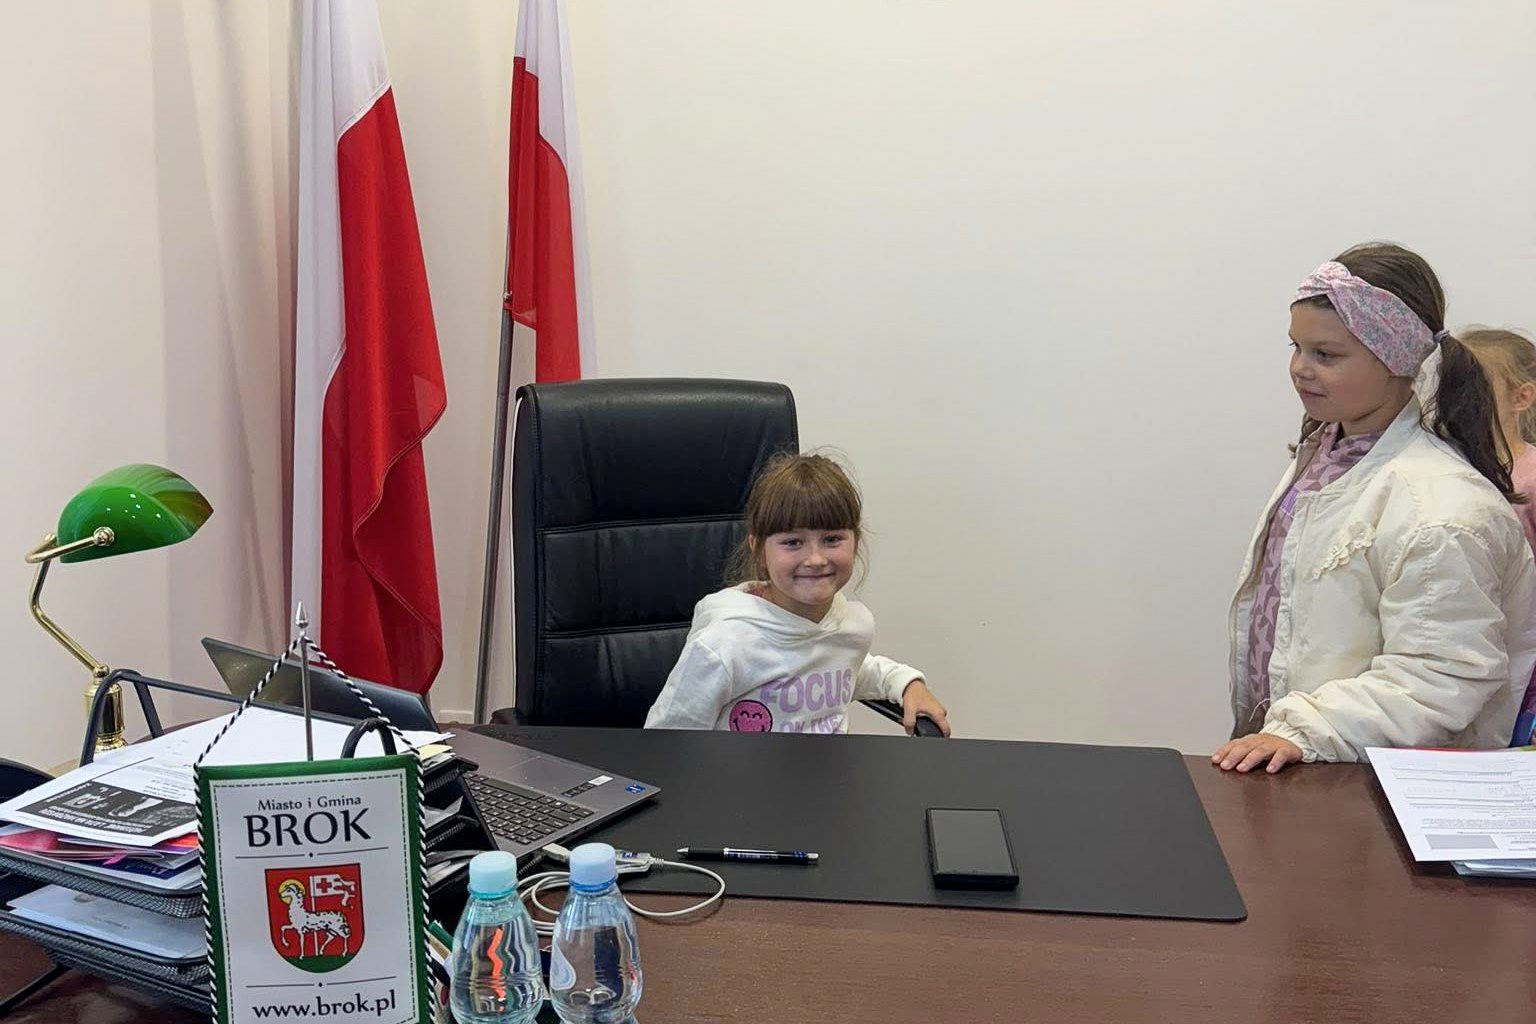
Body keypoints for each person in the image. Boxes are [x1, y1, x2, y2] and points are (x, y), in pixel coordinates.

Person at [1216, 243, 1536, 773]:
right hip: (1309, 763)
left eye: (1325, 355)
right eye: (1296, 348)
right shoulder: (1326, 453)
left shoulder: (1443, 511)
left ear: (1395, 357)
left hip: (1376, 787)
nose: (1299, 369)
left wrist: (1307, 729)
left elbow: (1441, 677)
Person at [644, 453, 950, 735]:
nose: (815, 559)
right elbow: (667, 739)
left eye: (832, 539)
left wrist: (906, 684)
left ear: (856, 541)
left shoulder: (852, 626)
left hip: (830, 773)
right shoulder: (724, 644)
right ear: (758, 549)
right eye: (793, 543)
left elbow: (852, 670)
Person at [1463, 327, 1536, 744]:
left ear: (1521, 397)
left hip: (1524, 666)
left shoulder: (1531, 477)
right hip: (1467, 651)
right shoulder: (1450, 468)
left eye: (1474, 386)